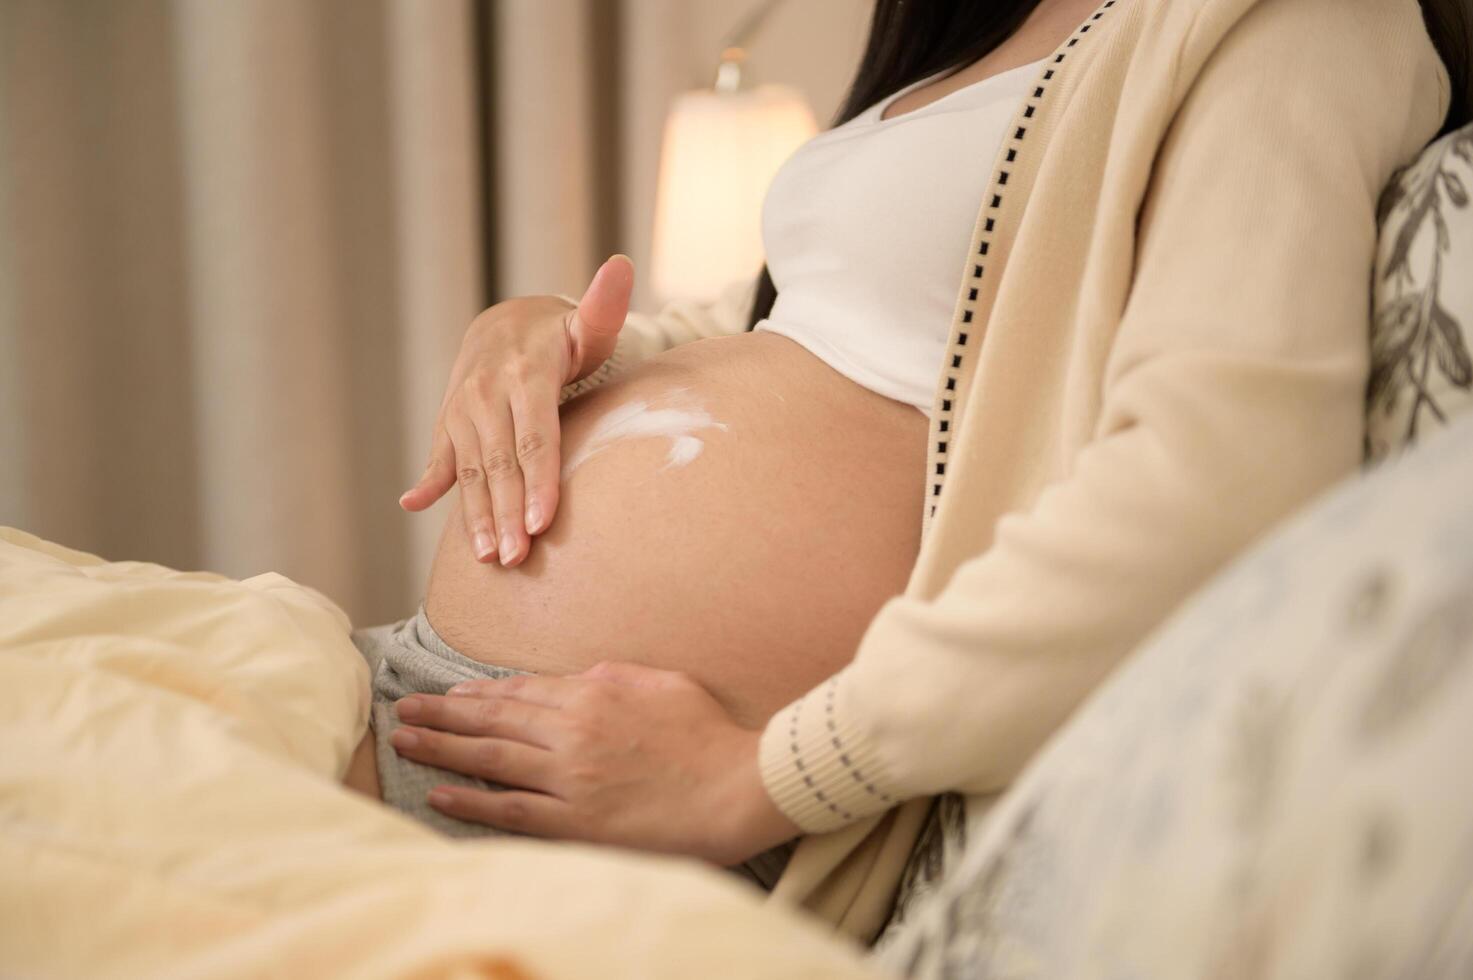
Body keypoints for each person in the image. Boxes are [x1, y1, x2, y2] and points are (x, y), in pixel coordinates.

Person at [343, 0, 1468, 941]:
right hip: (434, 696)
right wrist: (543, 330)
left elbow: (1220, 479)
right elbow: (804, 326)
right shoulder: (986, 25)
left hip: (641, 805)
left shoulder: (1291, 22)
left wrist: (767, 776)